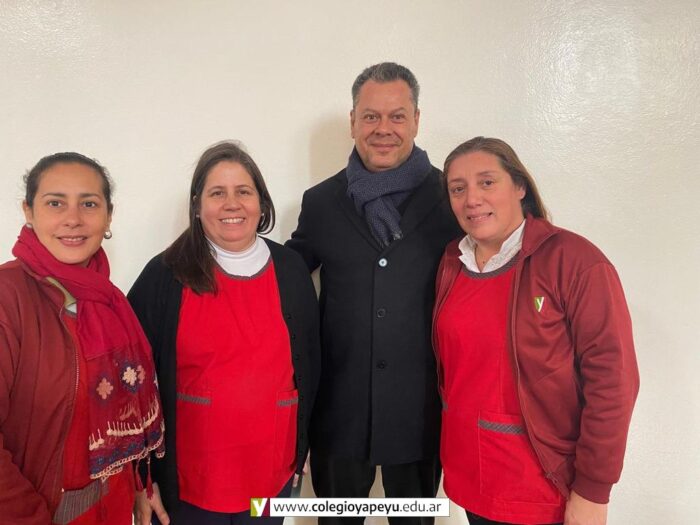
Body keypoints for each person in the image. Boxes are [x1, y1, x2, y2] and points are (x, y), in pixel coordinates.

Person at [287, 62, 461, 524]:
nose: (383, 129)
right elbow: (286, 278)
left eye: (397, 116)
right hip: (339, 413)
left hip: (421, 413)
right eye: (370, 116)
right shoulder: (320, 202)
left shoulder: (453, 198)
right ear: (353, 121)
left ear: (416, 120)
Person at [433, 136, 639, 525]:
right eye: (458, 189)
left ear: (520, 186)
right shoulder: (452, 262)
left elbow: (614, 381)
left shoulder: (574, 261)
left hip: (542, 490)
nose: (472, 198)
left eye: (487, 182)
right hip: (471, 480)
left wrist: (593, 491)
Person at [128, 141, 320, 525]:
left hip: (273, 470)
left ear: (261, 203)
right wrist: (141, 479)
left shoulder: (291, 268)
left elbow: (312, 364)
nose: (232, 204)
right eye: (217, 193)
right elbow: (130, 384)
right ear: (198, 206)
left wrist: (304, 443)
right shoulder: (165, 273)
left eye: (243, 192)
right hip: (190, 482)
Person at [0, 152, 165, 525]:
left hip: (114, 508)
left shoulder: (110, 301)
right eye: (55, 203)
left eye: (88, 204)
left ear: (108, 216)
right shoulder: (8, 298)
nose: (73, 218)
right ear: (28, 211)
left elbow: (124, 409)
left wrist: (139, 485)